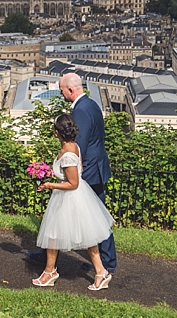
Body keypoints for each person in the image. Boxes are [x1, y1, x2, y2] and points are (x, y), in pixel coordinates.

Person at [25, 72, 118, 277]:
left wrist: (68, 170)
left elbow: (77, 144)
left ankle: (105, 263)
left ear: (70, 89)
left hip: (89, 171)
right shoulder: (91, 104)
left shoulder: (81, 111)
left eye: (61, 90)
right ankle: (52, 256)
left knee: (92, 218)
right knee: (96, 216)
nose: (60, 93)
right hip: (97, 167)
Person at [31, 114, 114, 290]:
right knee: (72, 236)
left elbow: (73, 183)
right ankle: (98, 272)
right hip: (72, 197)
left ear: (56, 133)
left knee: (57, 234)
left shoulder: (67, 153)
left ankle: (51, 272)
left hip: (69, 198)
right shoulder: (73, 146)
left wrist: (49, 184)